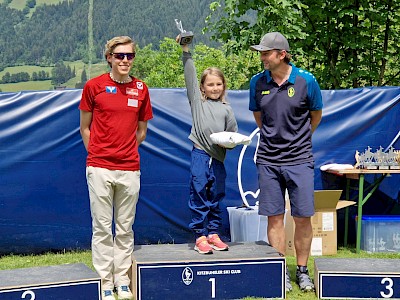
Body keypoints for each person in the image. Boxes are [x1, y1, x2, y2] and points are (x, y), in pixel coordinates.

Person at [79, 35, 153, 300]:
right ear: (109, 57)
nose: (125, 61)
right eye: (119, 56)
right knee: (101, 228)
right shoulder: (93, 86)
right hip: (99, 167)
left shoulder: (142, 89)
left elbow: (141, 131)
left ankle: (122, 280)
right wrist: (99, 154)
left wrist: (124, 150)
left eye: (129, 56)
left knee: (124, 228)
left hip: (130, 168)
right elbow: (85, 128)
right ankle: (104, 282)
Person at [248, 32, 323, 292]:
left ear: (282, 54)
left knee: (303, 217)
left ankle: (302, 271)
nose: (262, 57)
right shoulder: (257, 82)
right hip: (268, 160)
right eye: (261, 52)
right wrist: (274, 139)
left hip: (300, 159)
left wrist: (298, 140)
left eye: (266, 53)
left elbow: (316, 115)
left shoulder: (306, 80)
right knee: (274, 218)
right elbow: (259, 117)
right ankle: (280, 272)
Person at [177, 35, 238, 254]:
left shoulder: (227, 109)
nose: (214, 87)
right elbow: (190, 78)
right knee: (199, 193)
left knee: (216, 196)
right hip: (200, 155)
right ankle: (200, 236)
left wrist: (230, 143)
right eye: (210, 84)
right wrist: (186, 51)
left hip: (218, 159)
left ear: (223, 86)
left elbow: (232, 135)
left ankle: (214, 234)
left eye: (218, 84)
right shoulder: (198, 103)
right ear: (202, 88)